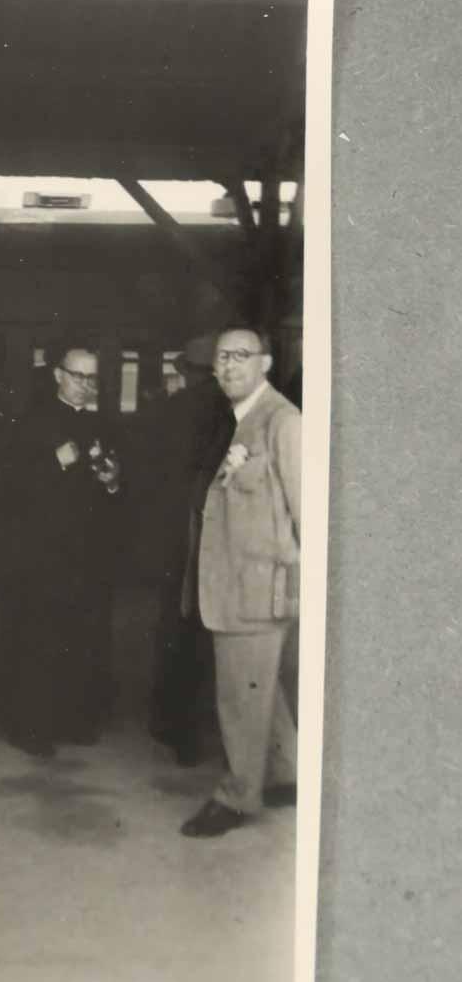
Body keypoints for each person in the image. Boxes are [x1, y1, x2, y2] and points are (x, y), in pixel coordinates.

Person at [180, 327, 301, 838]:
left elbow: (310, 513)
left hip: (258, 589)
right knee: (259, 686)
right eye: (221, 359)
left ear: (266, 363)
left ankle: (237, 796)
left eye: (241, 356)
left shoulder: (283, 422)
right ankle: (283, 774)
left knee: (238, 695)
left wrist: (300, 587)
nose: (228, 366)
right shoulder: (240, 421)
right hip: (235, 585)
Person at [0, 343, 122, 756]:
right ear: (58, 376)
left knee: (84, 637)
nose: (85, 385)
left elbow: (118, 487)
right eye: (77, 375)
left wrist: (114, 481)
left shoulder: (105, 423)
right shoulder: (31, 421)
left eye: (91, 378)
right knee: (40, 640)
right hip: (43, 553)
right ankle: (32, 728)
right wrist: (56, 463)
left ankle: (75, 720)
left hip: (89, 553)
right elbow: (8, 484)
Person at [148, 335, 235, 765]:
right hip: (212, 528)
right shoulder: (232, 410)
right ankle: (196, 729)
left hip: (174, 531)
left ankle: (170, 724)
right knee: (207, 631)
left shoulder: (174, 409)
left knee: (175, 627)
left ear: (189, 370)